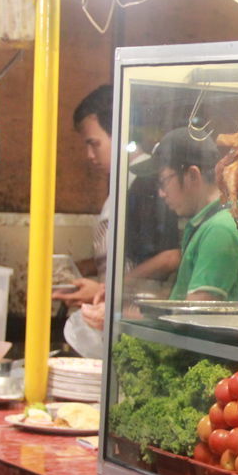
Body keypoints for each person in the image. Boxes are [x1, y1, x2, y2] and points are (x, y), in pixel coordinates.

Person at [53, 85, 181, 309]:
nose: (90, 155)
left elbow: (168, 256)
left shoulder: (147, 182)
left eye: (94, 144)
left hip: (136, 312)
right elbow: (132, 252)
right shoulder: (124, 181)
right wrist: (82, 270)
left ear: (121, 134)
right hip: (117, 308)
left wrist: (109, 289)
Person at [133, 127, 238, 301]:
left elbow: (197, 312)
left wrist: (118, 314)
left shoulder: (220, 229)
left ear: (192, 175)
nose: (162, 193)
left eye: (164, 182)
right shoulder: (210, 221)